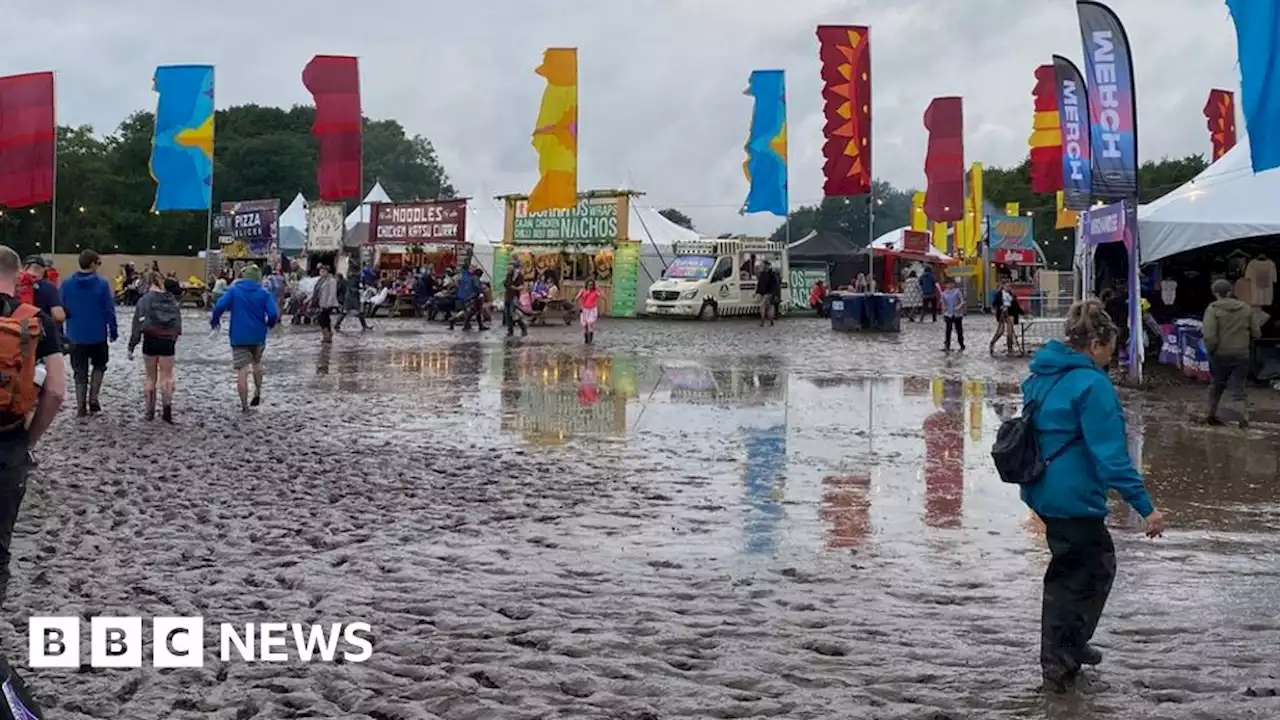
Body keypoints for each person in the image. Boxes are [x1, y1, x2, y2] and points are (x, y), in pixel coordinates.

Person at [1020, 298, 1164, 692]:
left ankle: (1066, 650)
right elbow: (1112, 459)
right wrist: (1146, 507)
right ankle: (1061, 658)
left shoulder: (1041, 373)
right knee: (1092, 569)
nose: (1112, 356)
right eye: (1112, 347)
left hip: (1043, 489)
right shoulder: (1092, 384)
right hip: (1074, 495)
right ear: (1098, 342)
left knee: (1072, 571)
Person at [0, 245, 65, 605]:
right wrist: (28, 440)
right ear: (17, 276)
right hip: (7, 443)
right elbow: (55, 391)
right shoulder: (35, 319)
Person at [210, 265, 279, 412]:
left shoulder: (235, 291)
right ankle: (258, 392)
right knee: (257, 363)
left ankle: (244, 406)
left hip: (239, 336)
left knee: (242, 370)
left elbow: (219, 306)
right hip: (258, 335)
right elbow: (273, 313)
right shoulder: (264, 293)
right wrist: (269, 324)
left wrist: (215, 321)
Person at [60, 249, 118, 416]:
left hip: (75, 335)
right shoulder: (102, 284)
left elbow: (60, 309)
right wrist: (112, 330)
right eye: (98, 263)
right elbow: (109, 310)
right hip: (97, 334)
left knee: (79, 371)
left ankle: (80, 406)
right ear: (92, 264)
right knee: (99, 366)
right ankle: (93, 398)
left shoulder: (66, 284)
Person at [1203, 278, 1261, 428]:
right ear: (1230, 292)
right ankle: (1243, 420)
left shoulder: (1213, 309)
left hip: (1220, 354)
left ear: (1215, 293)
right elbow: (1256, 332)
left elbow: (1209, 336)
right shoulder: (1245, 308)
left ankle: (1210, 415)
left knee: (1217, 384)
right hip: (1241, 354)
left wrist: (1211, 351)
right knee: (1238, 388)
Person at [127, 272, 182, 422]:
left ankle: (149, 411)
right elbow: (178, 323)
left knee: (150, 377)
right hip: (168, 341)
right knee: (167, 376)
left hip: (150, 340)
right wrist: (174, 337)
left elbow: (137, 325)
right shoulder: (171, 300)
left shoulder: (144, 300)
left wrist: (132, 345)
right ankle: (167, 409)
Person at [989, 280, 1024, 355]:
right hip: (1002, 313)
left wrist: (1023, 313)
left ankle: (1010, 348)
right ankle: (992, 343)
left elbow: (1016, 305)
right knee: (1000, 331)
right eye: (1007, 286)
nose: (1008, 287)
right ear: (1003, 286)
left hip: (1010, 313)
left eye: (1009, 286)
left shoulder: (1012, 295)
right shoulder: (999, 294)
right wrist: (996, 309)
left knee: (1010, 332)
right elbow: (994, 304)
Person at [451, 267, 487, 331]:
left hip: (468, 297)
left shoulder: (470, 278)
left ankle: (479, 325)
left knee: (476, 311)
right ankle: (461, 323)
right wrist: (481, 289)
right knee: (472, 312)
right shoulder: (475, 278)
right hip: (473, 298)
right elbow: (477, 286)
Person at [335, 266, 370, 332]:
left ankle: (337, 324)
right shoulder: (353, 279)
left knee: (347, 312)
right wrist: (358, 290)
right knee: (353, 311)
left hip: (351, 297)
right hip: (352, 297)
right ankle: (337, 324)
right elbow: (351, 288)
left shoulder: (353, 278)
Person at [311, 265, 339, 343]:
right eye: (320, 271)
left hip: (327, 303)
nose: (321, 273)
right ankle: (328, 334)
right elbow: (316, 291)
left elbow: (332, 293)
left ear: (327, 272)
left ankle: (326, 335)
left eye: (323, 271)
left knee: (323, 318)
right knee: (324, 319)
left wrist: (328, 304)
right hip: (320, 302)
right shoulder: (319, 280)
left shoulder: (332, 281)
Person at [941, 278, 966, 352]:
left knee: (959, 330)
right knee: (948, 330)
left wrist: (959, 306)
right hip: (948, 314)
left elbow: (962, 301)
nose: (950, 285)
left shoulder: (957, 292)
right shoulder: (944, 293)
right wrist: (943, 313)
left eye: (952, 283)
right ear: (946, 285)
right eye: (948, 284)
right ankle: (947, 345)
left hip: (957, 315)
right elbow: (943, 304)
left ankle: (961, 344)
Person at [755, 260, 780, 327]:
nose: (762, 266)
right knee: (769, 307)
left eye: (763, 265)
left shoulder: (766, 274)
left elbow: (760, 284)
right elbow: (776, 285)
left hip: (767, 293)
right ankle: (771, 321)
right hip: (769, 293)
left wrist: (757, 292)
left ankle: (763, 321)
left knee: (762, 306)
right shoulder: (772, 273)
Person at [577, 279, 601, 344]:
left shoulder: (595, 291)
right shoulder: (583, 290)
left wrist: (599, 289)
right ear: (586, 284)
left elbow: (603, 297)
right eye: (589, 285)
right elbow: (577, 298)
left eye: (591, 285)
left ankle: (590, 340)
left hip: (592, 309)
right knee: (585, 325)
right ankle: (586, 340)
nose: (590, 286)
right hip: (584, 309)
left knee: (590, 324)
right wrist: (580, 305)